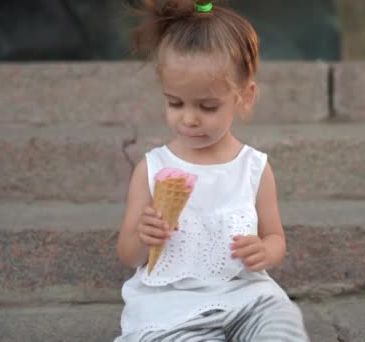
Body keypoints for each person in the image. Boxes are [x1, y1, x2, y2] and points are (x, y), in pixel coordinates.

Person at [115, 1, 309, 341]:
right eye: (175, 103)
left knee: (282, 321)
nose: (189, 118)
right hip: (170, 308)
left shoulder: (253, 168)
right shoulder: (153, 167)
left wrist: (265, 251)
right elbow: (128, 252)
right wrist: (144, 238)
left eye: (207, 106)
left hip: (245, 298)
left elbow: (275, 237)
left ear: (244, 98)